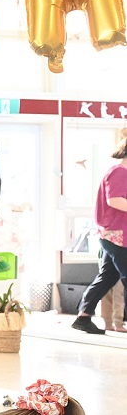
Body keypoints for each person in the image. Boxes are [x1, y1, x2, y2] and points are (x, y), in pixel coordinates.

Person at [71, 127, 127, 334]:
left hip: (115, 235)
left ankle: (83, 316)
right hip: (116, 236)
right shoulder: (119, 172)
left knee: (108, 277)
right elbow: (114, 200)